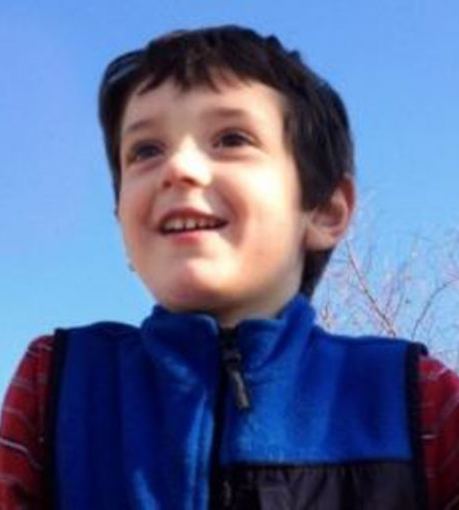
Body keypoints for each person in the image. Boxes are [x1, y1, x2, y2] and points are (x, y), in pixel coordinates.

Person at [1, 25, 458, 509]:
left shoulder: (416, 399)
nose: (179, 167)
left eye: (231, 138)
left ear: (325, 210)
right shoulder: (57, 385)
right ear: (122, 225)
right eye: (146, 150)